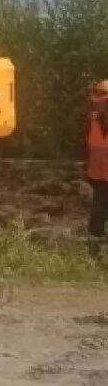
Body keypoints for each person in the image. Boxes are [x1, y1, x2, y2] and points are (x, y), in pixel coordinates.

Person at [86, 80, 108, 258]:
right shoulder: (94, 122)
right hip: (99, 178)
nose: (97, 103)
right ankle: (94, 253)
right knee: (98, 215)